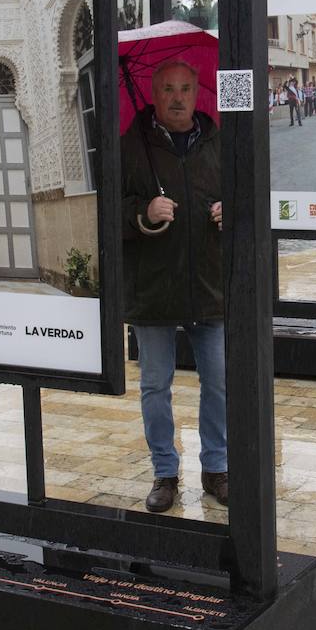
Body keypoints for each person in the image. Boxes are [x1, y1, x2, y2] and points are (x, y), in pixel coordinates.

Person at [121, 59, 228, 513]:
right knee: (155, 385)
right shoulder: (132, 146)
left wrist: (231, 209)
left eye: (186, 88)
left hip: (210, 284)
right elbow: (113, 208)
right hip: (155, 287)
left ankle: (217, 467)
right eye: (168, 89)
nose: (178, 98)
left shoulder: (219, 142)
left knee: (220, 381)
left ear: (198, 90)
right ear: (153, 93)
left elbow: (245, 193)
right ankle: (164, 470)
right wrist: (144, 212)